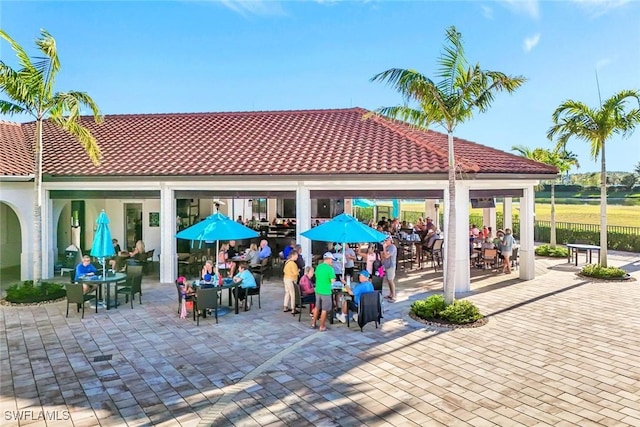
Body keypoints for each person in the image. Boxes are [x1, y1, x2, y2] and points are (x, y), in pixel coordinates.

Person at [311, 252, 337, 332]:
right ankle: (322, 326)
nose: (332, 261)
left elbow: (316, 276)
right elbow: (333, 281)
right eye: (332, 259)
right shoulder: (330, 269)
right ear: (328, 259)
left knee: (317, 307)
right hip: (326, 291)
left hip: (318, 290)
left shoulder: (319, 267)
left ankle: (313, 323)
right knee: (324, 309)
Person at [381, 235, 397, 302]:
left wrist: (384, 248)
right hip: (386, 265)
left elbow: (387, 256)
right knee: (388, 280)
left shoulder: (392, 247)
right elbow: (383, 256)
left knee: (391, 280)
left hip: (391, 266)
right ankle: (390, 294)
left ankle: (393, 295)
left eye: (386, 241)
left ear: (390, 241)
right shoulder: (387, 247)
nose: (385, 242)